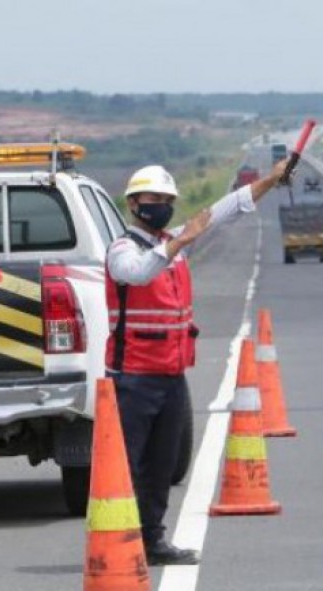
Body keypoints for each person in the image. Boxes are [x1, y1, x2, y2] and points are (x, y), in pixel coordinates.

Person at [105, 159, 289, 566]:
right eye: (154, 199)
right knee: (126, 468)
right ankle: (118, 543)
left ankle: (152, 541)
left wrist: (271, 180)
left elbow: (228, 208)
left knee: (162, 466)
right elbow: (136, 274)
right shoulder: (122, 249)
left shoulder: (175, 243)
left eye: (168, 200)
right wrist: (178, 242)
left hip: (171, 376)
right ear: (134, 204)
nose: (163, 206)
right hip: (132, 377)